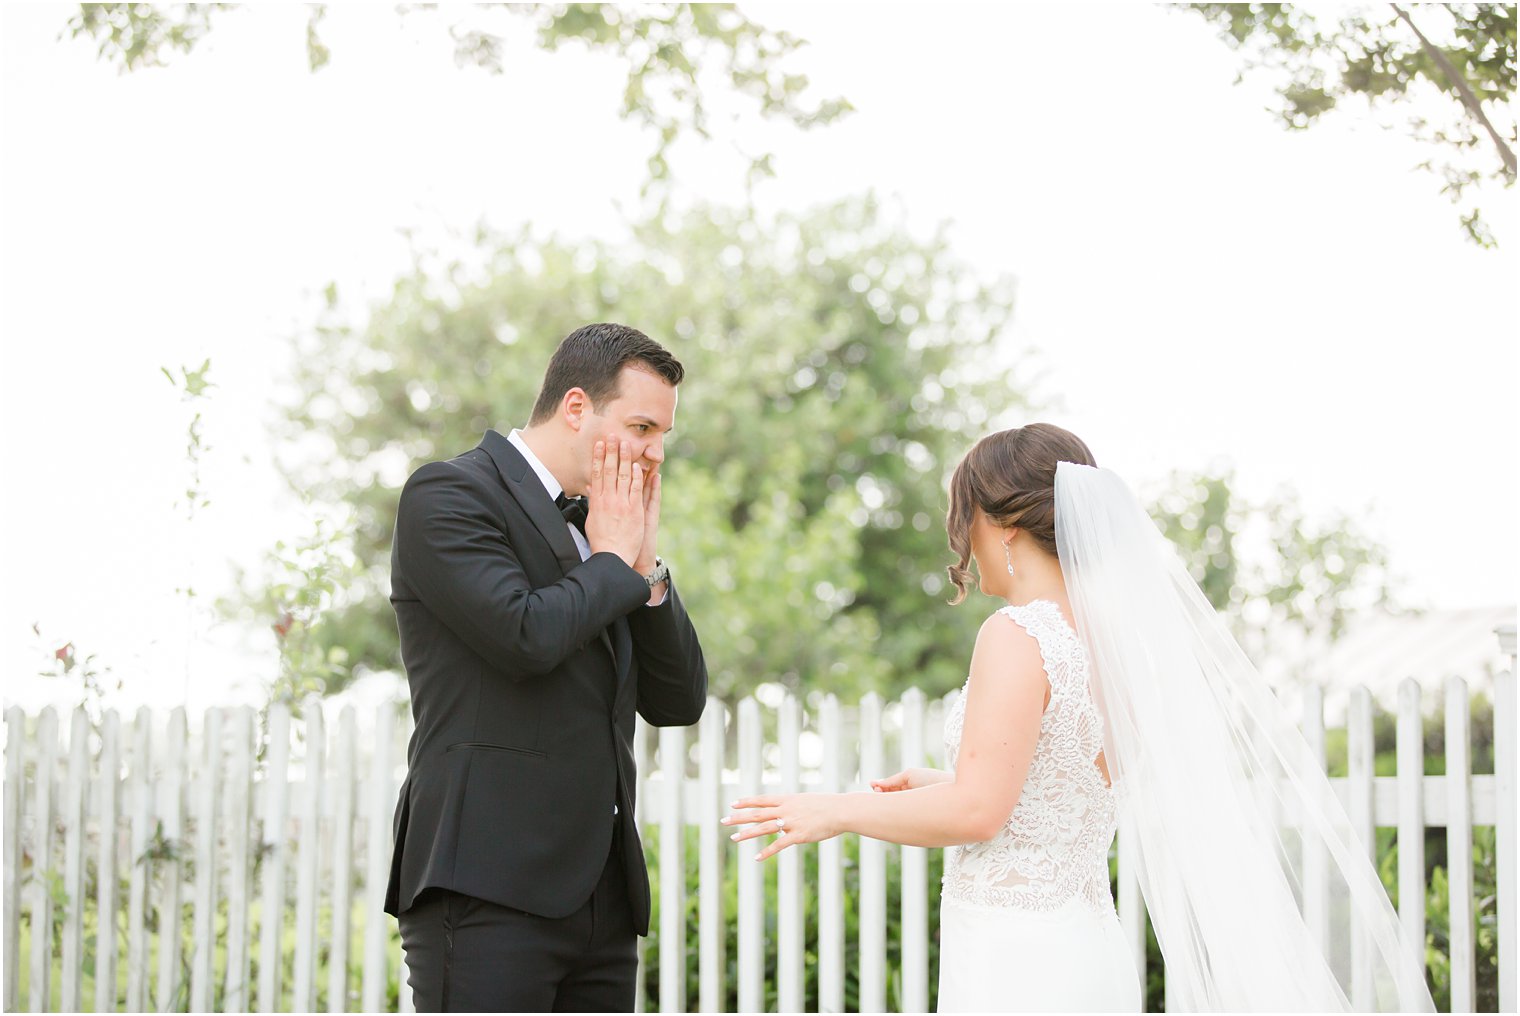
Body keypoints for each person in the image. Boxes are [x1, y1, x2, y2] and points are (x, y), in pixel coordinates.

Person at [724, 423, 1433, 1012]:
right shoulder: (1119, 650)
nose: (960, 541)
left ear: (1001, 524)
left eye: (963, 517)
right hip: (1089, 949)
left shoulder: (1018, 633)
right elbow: (1063, 789)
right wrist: (942, 780)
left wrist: (836, 810)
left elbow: (979, 813)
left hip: (1016, 958)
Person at [384, 322, 708, 1012]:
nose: (653, 455)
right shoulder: (447, 495)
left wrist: (644, 575)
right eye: (642, 427)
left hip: (604, 900)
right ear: (575, 407)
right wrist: (613, 562)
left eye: (663, 438)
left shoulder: (607, 535)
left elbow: (678, 702)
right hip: (483, 887)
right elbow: (523, 635)